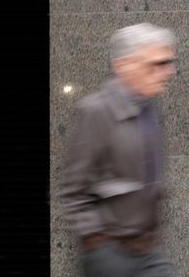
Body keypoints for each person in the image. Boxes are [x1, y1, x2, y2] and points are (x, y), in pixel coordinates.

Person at [59, 22, 176, 277]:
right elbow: (73, 189)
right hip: (109, 254)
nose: (167, 71)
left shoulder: (151, 110)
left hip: (149, 251)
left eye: (168, 62)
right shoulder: (95, 111)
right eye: (155, 64)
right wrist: (95, 243)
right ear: (123, 65)